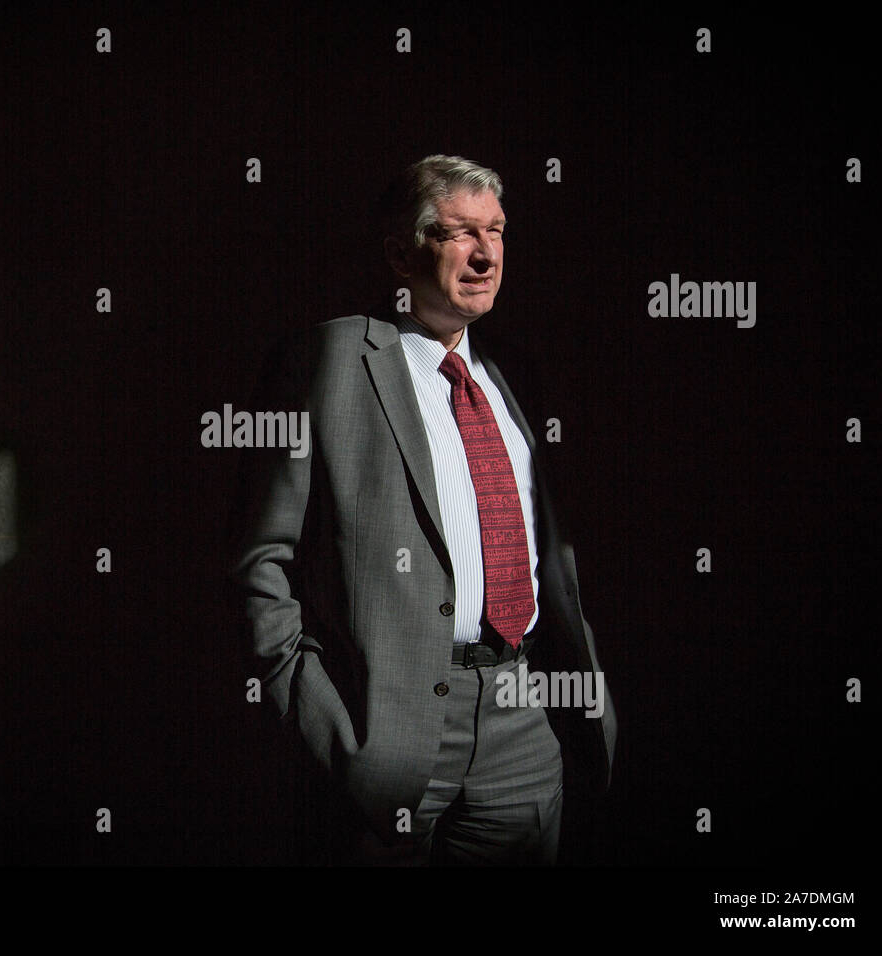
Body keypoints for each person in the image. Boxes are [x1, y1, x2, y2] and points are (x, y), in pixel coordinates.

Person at [229, 154, 616, 864]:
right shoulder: (327, 359)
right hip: (385, 731)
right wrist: (317, 716)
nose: (485, 253)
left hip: (523, 723)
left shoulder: (513, 374)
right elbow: (260, 561)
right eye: (456, 233)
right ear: (399, 253)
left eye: (496, 231)